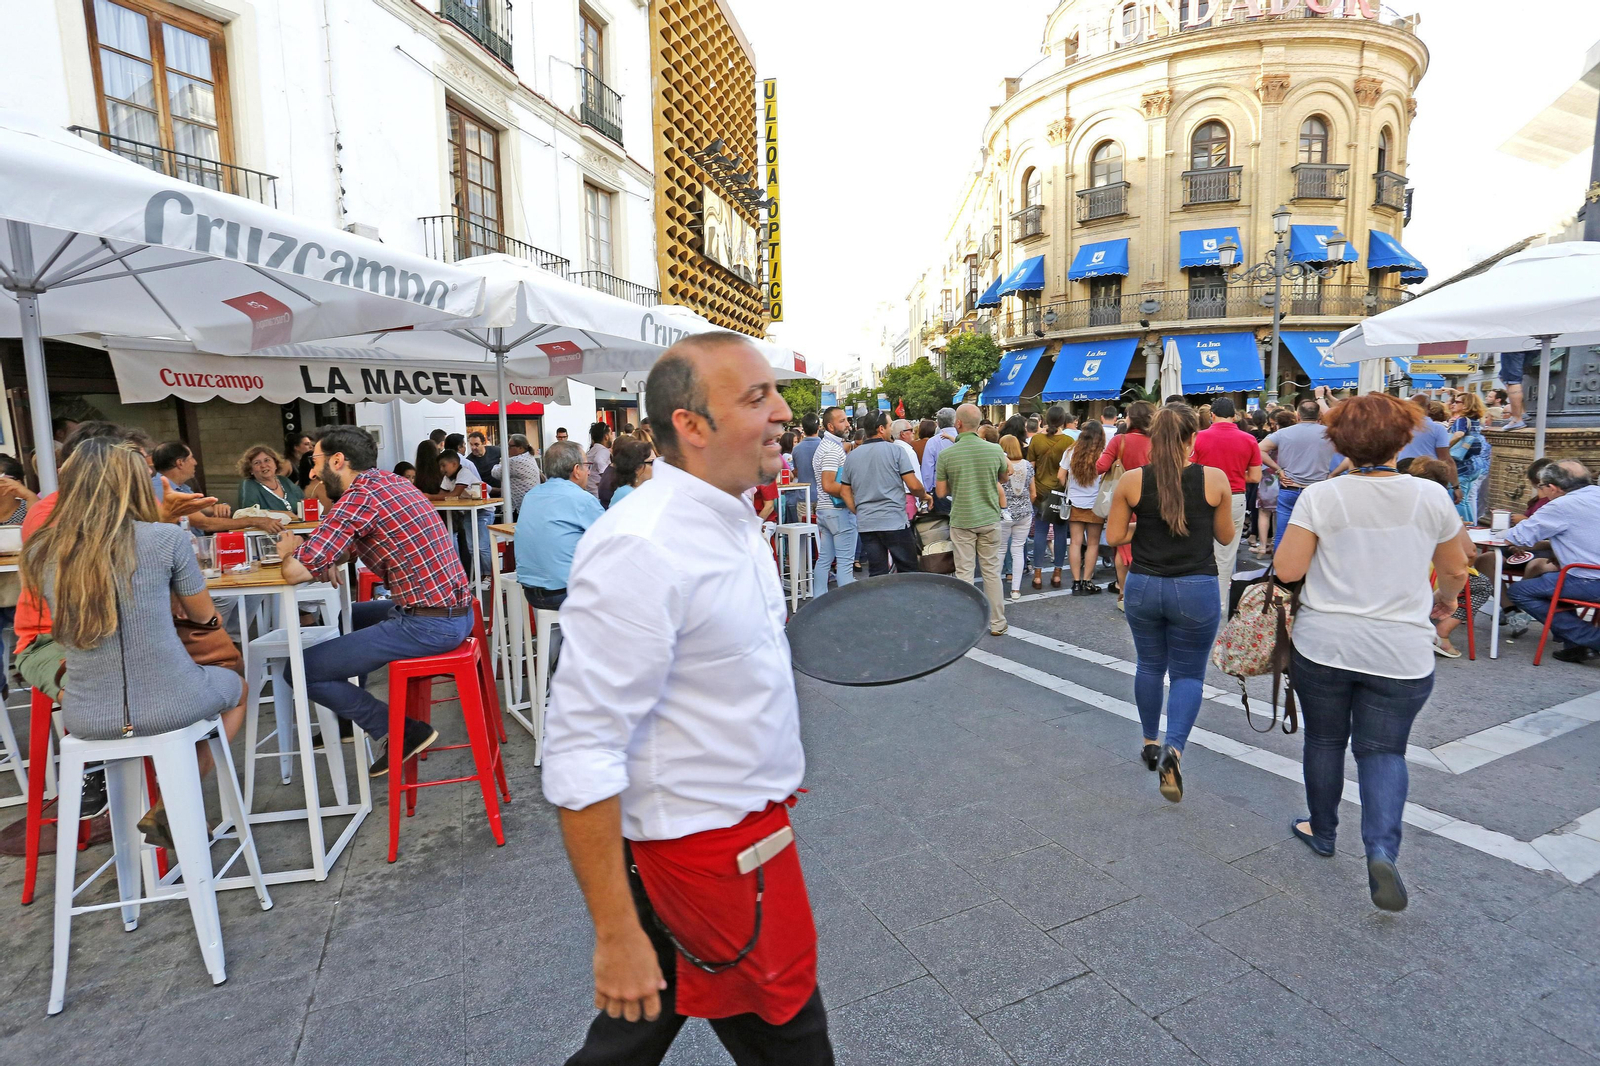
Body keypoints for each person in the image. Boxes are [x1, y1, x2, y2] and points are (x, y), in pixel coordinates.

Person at [542, 333, 833, 1065]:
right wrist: (613, 935)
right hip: (708, 860)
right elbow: (581, 750)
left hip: (729, 845)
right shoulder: (645, 545)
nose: (781, 414)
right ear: (691, 425)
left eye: (777, 393)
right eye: (756, 397)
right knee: (794, 1046)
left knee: (630, 1038)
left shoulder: (731, 519)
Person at [1273, 394, 1470, 912]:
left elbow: (1288, 571)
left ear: (1338, 441)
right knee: (1384, 752)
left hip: (1326, 642)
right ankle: (1381, 848)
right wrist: (1442, 603)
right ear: (1404, 438)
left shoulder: (1324, 497)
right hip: (1401, 649)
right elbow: (1456, 568)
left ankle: (1322, 829)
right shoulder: (1431, 497)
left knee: (1325, 740)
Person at [22, 435, 246, 846]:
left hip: (86, 717)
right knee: (238, 688)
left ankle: (156, 808)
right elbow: (200, 614)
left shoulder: (42, 550)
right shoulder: (165, 539)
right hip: (172, 703)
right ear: (132, 484)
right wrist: (209, 618)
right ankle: (173, 800)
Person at [275, 427, 473, 775]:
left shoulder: (357, 498)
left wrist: (287, 551)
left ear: (338, 461)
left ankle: (398, 729)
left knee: (300, 669)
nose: (311, 472)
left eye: (315, 461)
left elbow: (295, 572)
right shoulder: (389, 483)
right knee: (349, 620)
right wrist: (336, 556)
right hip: (456, 611)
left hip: (429, 623)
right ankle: (347, 718)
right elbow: (368, 536)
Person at [1106, 404, 1231, 803]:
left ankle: (1148, 741)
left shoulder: (1132, 480)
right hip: (1196, 586)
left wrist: (1145, 526)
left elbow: (1113, 537)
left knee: (1149, 665)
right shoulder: (1214, 480)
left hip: (1144, 585)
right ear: (1194, 437)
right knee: (1188, 674)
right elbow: (1226, 538)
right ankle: (1172, 750)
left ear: (1153, 437)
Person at [1504, 460, 1600, 662]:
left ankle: (1591, 640)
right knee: (1547, 581)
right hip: (1587, 575)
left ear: (1552, 487)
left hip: (1588, 580)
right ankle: (1576, 645)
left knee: (1520, 591)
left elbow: (1516, 537)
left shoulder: (1561, 505)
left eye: (1541, 487)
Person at [937, 403, 1011, 636]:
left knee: (964, 573)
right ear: (979, 423)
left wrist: (957, 481)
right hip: (989, 517)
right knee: (991, 572)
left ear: (958, 423)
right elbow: (1004, 478)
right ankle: (998, 622)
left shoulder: (947, 454)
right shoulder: (994, 450)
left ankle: (967, 623)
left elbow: (940, 492)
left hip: (962, 518)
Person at [514, 440, 605, 612]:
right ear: (577, 470)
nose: (588, 472)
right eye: (587, 466)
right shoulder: (582, 499)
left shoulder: (531, 495)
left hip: (531, 592)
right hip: (565, 593)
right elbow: (611, 541)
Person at [1190, 397, 1262, 604]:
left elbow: (1189, 468)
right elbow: (1255, 477)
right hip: (1234, 497)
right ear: (1234, 416)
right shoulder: (1248, 439)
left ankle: (1196, 597)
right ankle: (1219, 602)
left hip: (1202, 496)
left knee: (1198, 548)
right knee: (1226, 554)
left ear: (1212, 415)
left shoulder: (1199, 438)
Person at [837, 411, 926, 576]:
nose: (891, 429)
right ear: (881, 429)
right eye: (889, 425)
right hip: (893, 520)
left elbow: (844, 491)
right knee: (909, 570)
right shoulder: (896, 451)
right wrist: (925, 495)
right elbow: (913, 485)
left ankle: (880, 602)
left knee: (877, 573)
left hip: (867, 523)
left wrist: (858, 510)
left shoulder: (852, 456)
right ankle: (906, 601)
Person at [153, 442, 284, 536]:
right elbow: (205, 523)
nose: (195, 462)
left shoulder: (182, 488)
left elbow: (207, 509)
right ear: (180, 463)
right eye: (191, 458)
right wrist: (256, 521)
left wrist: (220, 507)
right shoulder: (161, 490)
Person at [1097, 400, 1155, 609]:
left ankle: (1123, 594)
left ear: (1132, 418)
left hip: (1124, 498)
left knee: (1122, 546)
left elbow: (1101, 467)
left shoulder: (1119, 440)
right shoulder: (1157, 441)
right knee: (1149, 544)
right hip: (1152, 498)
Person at [1259, 400, 1336, 551]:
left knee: (1283, 533)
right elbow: (1349, 454)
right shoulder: (1329, 435)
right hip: (1317, 489)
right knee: (1316, 534)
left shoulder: (1283, 433)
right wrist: (1334, 473)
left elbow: (1258, 449)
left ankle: (1279, 571)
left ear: (1298, 415)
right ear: (1318, 415)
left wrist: (1278, 469)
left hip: (1290, 487)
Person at [1025, 406, 1076, 590]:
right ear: (1063, 421)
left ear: (1045, 420)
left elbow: (1030, 467)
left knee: (1040, 532)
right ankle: (1057, 573)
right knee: (1061, 533)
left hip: (1040, 492)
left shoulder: (1036, 440)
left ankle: (1037, 575)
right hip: (1061, 493)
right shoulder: (1069, 441)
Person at [812, 406, 857, 597]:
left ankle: (818, 603)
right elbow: (829, 484)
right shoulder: (831, 449)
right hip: (837, 511)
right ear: (830, 426)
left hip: (826, 511)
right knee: (845, 565)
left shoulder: (827, 446)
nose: (847, 424)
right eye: (842, 421)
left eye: (846, 420)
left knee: (824, 560)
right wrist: (854, 495)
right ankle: (846, 612)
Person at [1059, 420, 1106, 595]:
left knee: (1076, 543)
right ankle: (1087, 581)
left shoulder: (1071, 451)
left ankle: (1076, 583)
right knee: (1093, 543)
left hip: (1074, 502)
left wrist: (1071, 489)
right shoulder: (1102, 453)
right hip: (1096, 503)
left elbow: (1060, 476)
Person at [438, 448, 492, 581]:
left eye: (444, 465)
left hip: (484, 511)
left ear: (454, 464)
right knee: (472, 548)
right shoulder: (447, 478)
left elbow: (453, 494)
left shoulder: (464, 473)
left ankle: (490, 576)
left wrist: (428, 496)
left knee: (483, 546)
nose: (442, 469)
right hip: (469, 512)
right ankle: (479, 577)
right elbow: (441, 495)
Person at [998, 435, 1034, 601]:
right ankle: (1016, 590)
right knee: (1018, 550)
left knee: (1000, 549)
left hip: (1003, 513)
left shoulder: (1000, 465)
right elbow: (1033, 492)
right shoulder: (1027, 465)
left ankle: (996, 588)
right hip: (1024, 512)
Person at [1448, 393, 1491, 524]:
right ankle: (1471, 527)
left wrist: (1445, 446)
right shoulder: (1475, 421)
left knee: (1458, 500)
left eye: (1457, 402)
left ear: (1466, 405)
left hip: (1461, 466)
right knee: (1466, 500)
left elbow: (1459, 434)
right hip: (1473, 465)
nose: (1453, 404)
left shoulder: (1462, 420)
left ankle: (1464, 528)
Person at [237, 445, 305, 513]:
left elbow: (303, 502)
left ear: (275, 464)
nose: (263, 465)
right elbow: (249, 513)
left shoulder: (284, 481)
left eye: (267, 460)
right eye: (257, 463)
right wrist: (284, 514)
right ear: (250, 470)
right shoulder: (249, 485)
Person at [495, 434, 543, 518]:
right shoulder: (528, 456)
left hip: (518, 506)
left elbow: (496, 473)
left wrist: (502, 461)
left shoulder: (516, 461)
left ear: (520, 448)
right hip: (530, 504)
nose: (507, 449)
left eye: (510, 446)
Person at [919, 408, 959, 509]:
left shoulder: (933, 442)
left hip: (940, 489)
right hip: (963, 487)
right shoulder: (963, 438)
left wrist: (927, 490)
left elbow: (927, 469)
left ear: (938, 423)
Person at [790, 413, 822, 520]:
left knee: (804, 531)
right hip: (822, 496)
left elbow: (796, 471)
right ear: (818, 427)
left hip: (803, 495)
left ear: (803, 429)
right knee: (822, 532)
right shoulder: (825, 447)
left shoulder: (796, 449)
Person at [608, 439, 655, 508]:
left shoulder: (636, 490)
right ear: (638, 468)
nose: (656, 466)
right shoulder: (627, 493)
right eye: (652, 462)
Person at [1494, 351, 1530, 430]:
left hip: (1515, 346)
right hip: (1535, 345)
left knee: (1512, 381)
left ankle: (1517, 419)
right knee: (1503, 375)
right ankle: (1522, 413)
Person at [586, 422, 614, 500]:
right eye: (611, 434)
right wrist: (606, 476)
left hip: (589, 491)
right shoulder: (603, 450)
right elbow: (599, 460)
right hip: (598, 494)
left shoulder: (591, 451)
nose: (612, 437)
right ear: (606, 436)